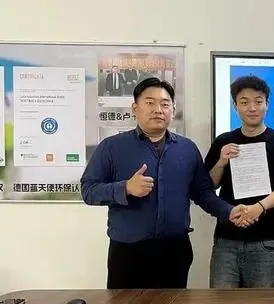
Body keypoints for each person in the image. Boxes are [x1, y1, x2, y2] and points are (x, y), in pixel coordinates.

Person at [81, 77, 244, 290]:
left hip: (174, 251)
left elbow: (202, 192)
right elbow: (88, 190)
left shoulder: (186, 149)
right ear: (135, 108)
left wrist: (229, 212)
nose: (158, 110)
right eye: (150, 102)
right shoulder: (112, 147)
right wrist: (125, 188)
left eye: (165, 104)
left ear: (173, 110)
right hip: (128, 252)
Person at [204, 75, 274, 288]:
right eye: (244, 102)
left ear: (267, 104)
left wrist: (258, 208)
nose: (252, 108)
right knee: (221, 302)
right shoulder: (224, 141)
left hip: (265, 240)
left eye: (258, 101)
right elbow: (211, 184)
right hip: (227, 239)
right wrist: (221, 162)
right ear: (235, 106)